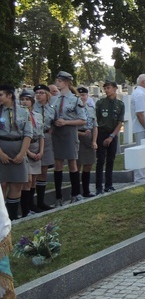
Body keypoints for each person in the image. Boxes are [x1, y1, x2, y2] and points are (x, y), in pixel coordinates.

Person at [50, 71, 87, 204]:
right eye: (57, 80)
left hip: (69, 132)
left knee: (72, 163)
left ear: (66, 82)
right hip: (57, 133)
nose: (57, 83)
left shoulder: (75, 99)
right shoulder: (54, 99)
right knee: (58, 164)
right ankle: (58, 196)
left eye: (60, 81)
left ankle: (75, 193)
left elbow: (83, 120)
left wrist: (66, 122)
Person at [0, 85, 32, 219]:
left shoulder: (23, 111)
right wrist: (0, 154)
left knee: (17, 184)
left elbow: (28, 134)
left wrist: (21, 153)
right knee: (2, 184)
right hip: (2, 148)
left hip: (18, 149)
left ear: (9, 95)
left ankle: (12, 217)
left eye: (0, 95)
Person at [94, 81, 125, 195]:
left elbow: (120, 122)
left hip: (113, 134)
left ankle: (109, 184)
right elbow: (96, 120)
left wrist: (112, 136)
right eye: (105, 88)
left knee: (110, 160)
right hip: (102, 133)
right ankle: (98, 187)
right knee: (100, 160)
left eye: (108, 88)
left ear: (115, 89)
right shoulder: (100, 103)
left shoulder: (120, 104)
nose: (106, 90)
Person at [19, 89, 44, 216]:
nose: (24, 102)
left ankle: (31, 205)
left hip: (36, 147)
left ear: (32, 102)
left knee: (34, 179)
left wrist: (41, 151)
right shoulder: (19, 115)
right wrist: (28, 153)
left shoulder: (37, 115)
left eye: (27, 99)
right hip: (25, 149)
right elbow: (21, 137)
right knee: (27, 180)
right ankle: (25, 210)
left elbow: (41, 135)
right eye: (22, 99)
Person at [33, 84, 55, 211]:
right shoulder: (31, 107)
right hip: (34, 139)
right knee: (33, 173)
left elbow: (54, 122)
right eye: (37, 93)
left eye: (41, 92)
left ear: (47, 94)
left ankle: (41, 202)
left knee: (44, 170)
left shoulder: (51, 108)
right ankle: (31, 203)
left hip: (46, 137)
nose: (38, 95)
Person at [76, 87, 98, 197]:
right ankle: (76, 191)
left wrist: (94, 141)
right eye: (79, 95)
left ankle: (86, 191)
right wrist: (80, 134)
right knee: (77, 164)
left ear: (87, 96)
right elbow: (72, 127)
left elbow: (95, 126)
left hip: (89, 137)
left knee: (88, 164)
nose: (82, 97)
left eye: (84, 95)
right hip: (79, 136)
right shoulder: (74, 109)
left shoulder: (91, 108)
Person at [131, 74, 145, 183]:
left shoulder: (144, 93)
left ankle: (144, 175)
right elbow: (140, 114)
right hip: (142, 128)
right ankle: (139, 178)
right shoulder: (139, 94)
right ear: (143, 82)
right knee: (141, 152)